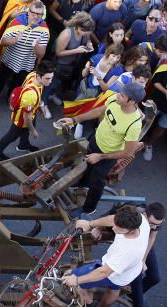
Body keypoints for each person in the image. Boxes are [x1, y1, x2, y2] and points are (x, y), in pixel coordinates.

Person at [56, 81, 146, 217]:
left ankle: (89, 208)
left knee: (97, 181)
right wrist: (74, 120)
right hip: (95, 140)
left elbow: (128, 152)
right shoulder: (115, 100)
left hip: (107, 154)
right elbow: (99, 111)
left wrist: (100, 156)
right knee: (88, 164)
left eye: (122, 95)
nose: (117, 96)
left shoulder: (134, 124)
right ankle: (83, 183)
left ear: (132, 101)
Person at [61, 205, 149, 307]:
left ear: (130, 230)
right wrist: (90, 224)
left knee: (71, 276)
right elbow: (113, 219)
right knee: (114, 289)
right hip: (129, 272)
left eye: (118, 228)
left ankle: (89, 304)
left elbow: (104, 272)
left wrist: (77, 280)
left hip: (113, 273)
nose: (113, 228)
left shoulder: (127, 250)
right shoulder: (140, 221)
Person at [0, 62, 54, 160]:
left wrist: (40, 105)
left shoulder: (32, 75)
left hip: (29, 111)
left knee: (27, 129)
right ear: (38, 76)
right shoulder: (30, 95)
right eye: (47, 78)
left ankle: (23, 145)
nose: (50, 81)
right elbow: (26, 118)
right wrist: (33, 131)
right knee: (11, 136)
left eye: (51, 78)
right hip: (21, 119)